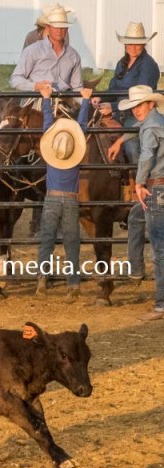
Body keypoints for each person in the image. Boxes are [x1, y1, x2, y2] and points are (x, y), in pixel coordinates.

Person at [100, 23, 161, 283]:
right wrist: (101, 99)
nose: (133, 47)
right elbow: (113, 87)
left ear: (143, 44)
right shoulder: (122, 64)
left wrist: (113, 107)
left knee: (134, 145)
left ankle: (138, 186)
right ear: (125, 44)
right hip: (121, 114)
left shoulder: (149, 66)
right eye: (130, 43)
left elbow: (140, 99)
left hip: (134, 116)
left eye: (137, 43)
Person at [35, 84, 92, 303]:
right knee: (71, 241)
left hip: (51, 197)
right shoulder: (74, 157)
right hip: (70, 200)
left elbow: (47, 124)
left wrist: (46, 98)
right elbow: (82, 126)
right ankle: (73, 283)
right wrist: (85, 100)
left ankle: (42, 279)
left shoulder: (51, 155)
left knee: (47, 239)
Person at [115, 86, 164, 320]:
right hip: (158, 187)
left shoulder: (151, 127)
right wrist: (122, 139)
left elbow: (146, 155)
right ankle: (136, 269)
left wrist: (139, 182)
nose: (136, 110)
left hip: (156, 187)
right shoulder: (156, 122)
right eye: (134, 106)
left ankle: (161, 304)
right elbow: (138, 129)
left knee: (159, 248)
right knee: (135, 218)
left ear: (150, 104)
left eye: (140, 105)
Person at [10, 5, 83, 93]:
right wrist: (36, 86)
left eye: (62, 27)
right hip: (37, 97)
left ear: (67, 29)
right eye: (55, 26)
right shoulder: (32, 50)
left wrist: (88, 98)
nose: (59, 30)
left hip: (63, 97)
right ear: (48, 28)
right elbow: (15, 79)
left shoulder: (74, 55)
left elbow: (77, 87)